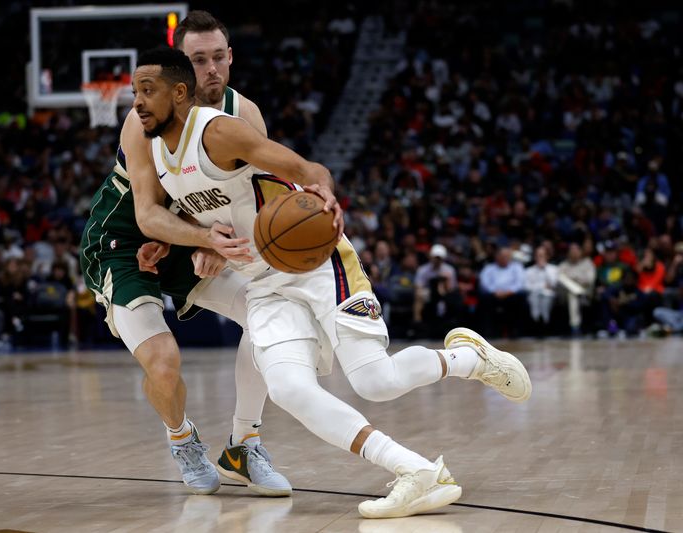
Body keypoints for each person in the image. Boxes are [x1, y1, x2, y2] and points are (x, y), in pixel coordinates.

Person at [132, 47, 531, 518]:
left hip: (315, 265)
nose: (137, 102)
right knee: (286, 387)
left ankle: (469, 358)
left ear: (179, 93)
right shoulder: (158, 151)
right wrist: (182, 245)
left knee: (375, 381)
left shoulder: (217, 131)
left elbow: (306, 169)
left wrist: (323, 191)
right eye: (135, 91)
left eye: (147, 90)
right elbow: (195, 209)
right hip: (261, 283)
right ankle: (414, 471)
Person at [79, 11, 291, 496]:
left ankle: (243, 444)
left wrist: (213, 236)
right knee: (163, 360)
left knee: (269, 316)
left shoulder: (245, 114)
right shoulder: (143, 119)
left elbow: (256, 198)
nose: (211, 69)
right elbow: (149, 215)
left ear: (231, 57)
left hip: (193, 237)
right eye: (198, 60)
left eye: (219, 57)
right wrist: (202, 237)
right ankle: (181, 438)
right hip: (125, 242)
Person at [478, 248, 527, 337]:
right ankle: (488, 332)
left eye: (507, 256)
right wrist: (494, 292)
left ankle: (516, 332)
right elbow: (484, 283)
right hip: (493, 295)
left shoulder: (517, 267)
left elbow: (520, 283)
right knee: (484, 298)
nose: (505, 258)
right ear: (497, 257)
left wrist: (508, 292)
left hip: (511, 295)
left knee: (521, 297)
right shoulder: (489, 268)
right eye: (503, 256)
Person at [558, 242, 596, 335]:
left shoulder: (588, 263)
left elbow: (590, 280)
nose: (574, 252)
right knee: (572, 294)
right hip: (565, 295)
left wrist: (573, 277)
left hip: (585, 294)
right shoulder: (563, 265)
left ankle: (575, 327)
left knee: (574, 295)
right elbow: (559, 279)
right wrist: (577, 279)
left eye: (576, 250)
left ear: (581, 251)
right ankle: (575, 328)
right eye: (572, 250)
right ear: (568, 253)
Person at [524, 245, 558, 332]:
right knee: (535, 296)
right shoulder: (529, 270)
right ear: (535, 257)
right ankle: (536, 321)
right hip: (534, 294)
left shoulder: (553, 269)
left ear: (546, 256)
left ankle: (545, 321)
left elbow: (554, 284)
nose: (540, 258)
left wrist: (545, 269)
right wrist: (541, 286)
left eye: (542, 255)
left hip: (549, 295)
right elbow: (526, 286)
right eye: (538, 255)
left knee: (546, 296)